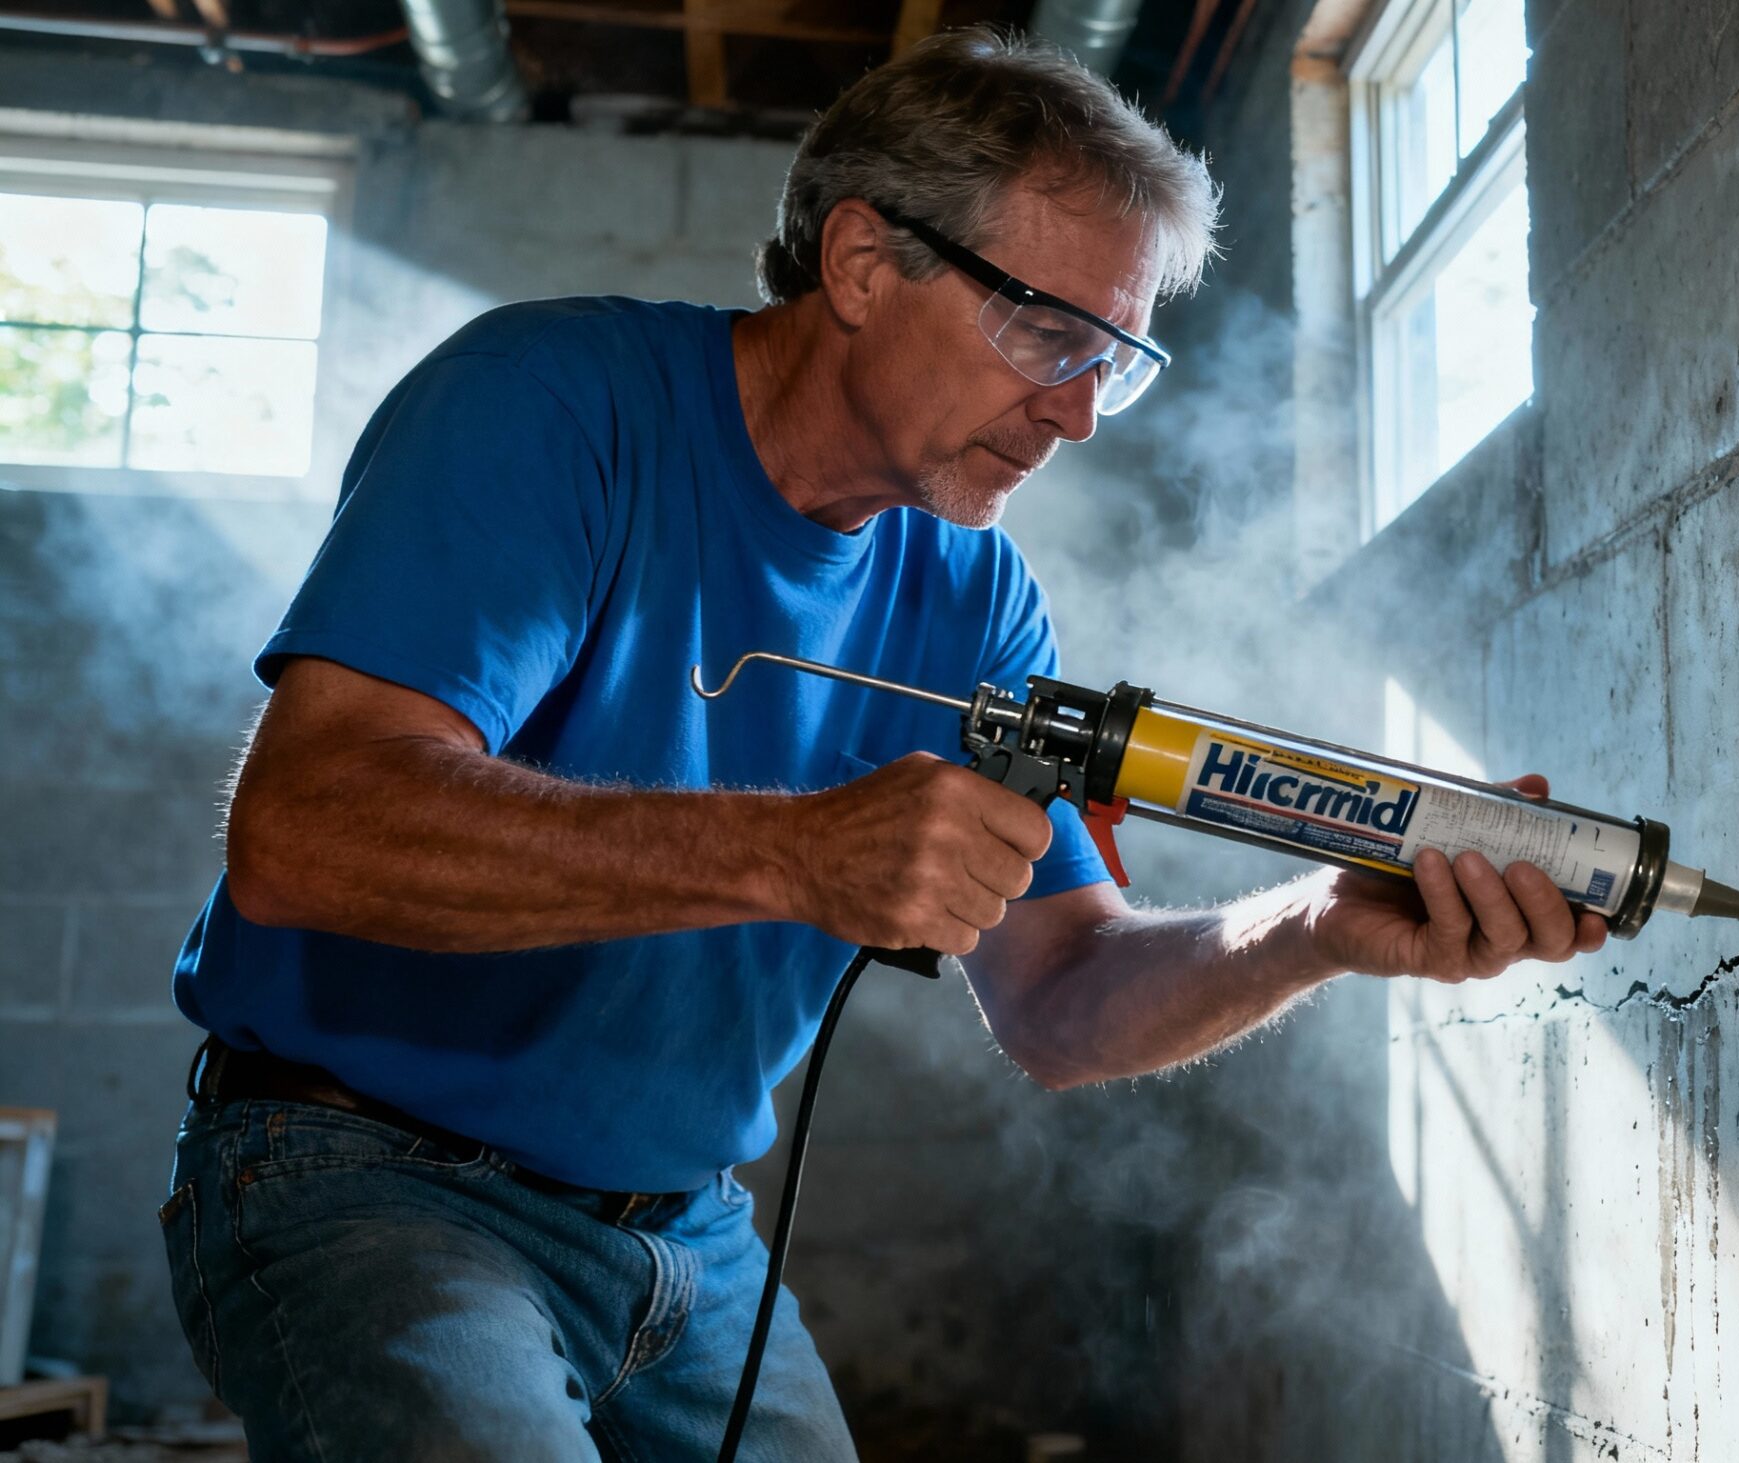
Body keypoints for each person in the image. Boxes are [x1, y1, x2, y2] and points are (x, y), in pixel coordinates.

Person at [158, 27, 1607, 1461]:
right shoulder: (553, 406)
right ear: (862, 263)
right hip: (367, 1176)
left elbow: (1058, 998)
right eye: (1051, 334)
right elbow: (306, 831)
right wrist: (797, 852)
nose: (1082, 412)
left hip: (686, 1235)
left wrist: (1318, 926)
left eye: (1118, 359)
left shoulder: (977, 600)